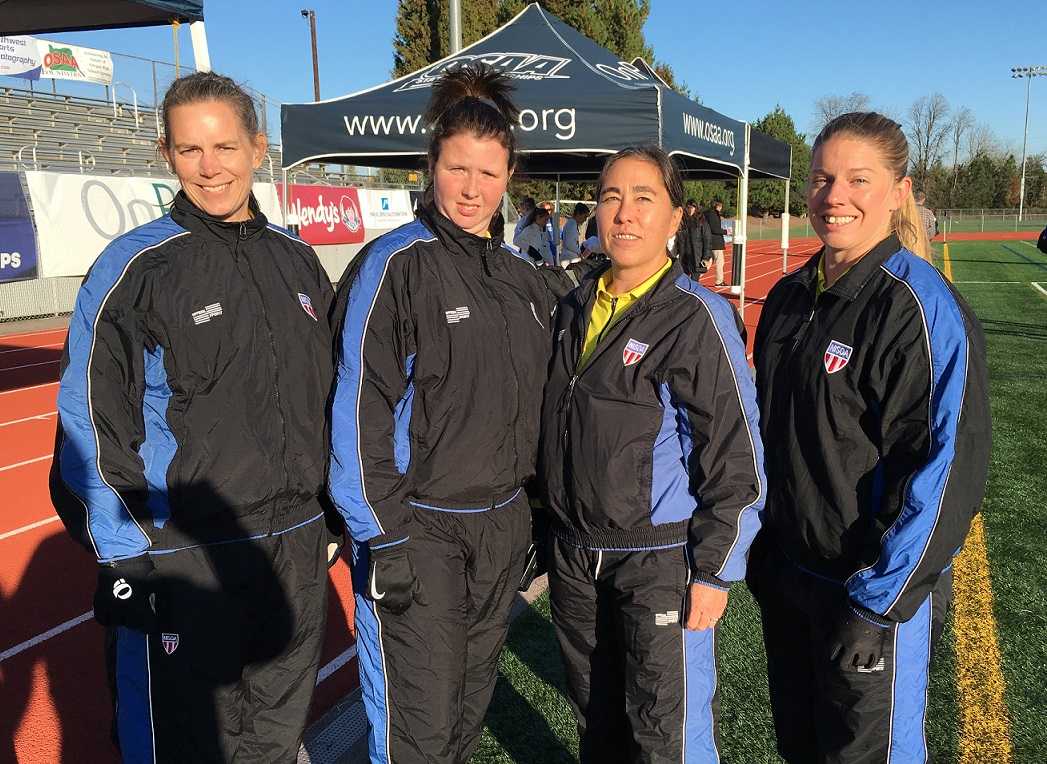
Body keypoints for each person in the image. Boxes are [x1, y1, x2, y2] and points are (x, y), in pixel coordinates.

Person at [49, 71, 336, 762]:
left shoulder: (299, 264)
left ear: (257, 148)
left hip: (290, 550)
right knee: (180, 747)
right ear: (166, 154)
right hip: (182, 556)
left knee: (273, 738)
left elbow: (327, 401)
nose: (210, 168)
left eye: (225, 147)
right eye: (189, 150)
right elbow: (89, 418)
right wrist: (122, 557)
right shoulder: (135, 266)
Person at [328, 64, 556, 764]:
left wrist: (539, 514)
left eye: (487, 173)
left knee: (463, 715)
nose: (470, 187)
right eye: (457, 168)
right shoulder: (393, 265)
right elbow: (357, 405)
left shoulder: (524, 281)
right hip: (417, 533)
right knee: (416, 733)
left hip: (501, 529)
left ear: (509, 173)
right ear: (430, 166)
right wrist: (383, 535)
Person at [749, 112, 991, 763]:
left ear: (897, 191)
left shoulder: (918, 307)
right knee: (800, 748)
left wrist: (878, 604)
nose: (835, 197)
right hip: (792, 580)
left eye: (858, 179)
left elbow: (944, 472)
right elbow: (769, 434)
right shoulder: (788, 298)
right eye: (823, 178)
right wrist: (763, 550)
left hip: (868, 594)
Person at [538, 146, 766, 762]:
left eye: (645, 198)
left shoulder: (695, 317)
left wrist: (715, 570)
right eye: (611, 197)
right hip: (577, 556)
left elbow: (735, 457)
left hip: (657, 560)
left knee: (667, 736)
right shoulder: (573, 305)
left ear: (675, 218)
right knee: (599, 726)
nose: (625, 213)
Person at [673, 197, 711, 277]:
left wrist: (706, 257)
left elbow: (707, 240)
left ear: (696, 208)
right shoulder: (683, 222)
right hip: (684, 256)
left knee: (694, 282)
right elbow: (678, 239)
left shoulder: (702, 222)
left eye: (692, 208)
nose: (690, 210)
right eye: (688, 207)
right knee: (684, 281)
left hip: (696, 257)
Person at [703, 199, 729, 285]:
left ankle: (695, 277)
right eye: (720, 206)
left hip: (710, 241)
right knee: (719, 262)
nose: (721, 208)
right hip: (715, 242)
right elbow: (715, 229)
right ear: (717, 206)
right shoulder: (713, 214)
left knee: (708, 262)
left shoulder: (707, 213)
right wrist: (726, 232)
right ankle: (719, 281)